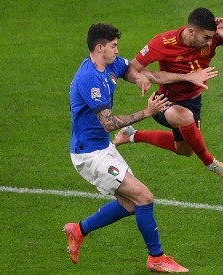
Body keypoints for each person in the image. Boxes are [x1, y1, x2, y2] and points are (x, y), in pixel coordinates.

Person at [65, 23, 214, 273]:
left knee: (132, 204)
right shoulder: (89, 79)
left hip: (101, 148)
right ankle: (156, 258)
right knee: (144, 197)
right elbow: (109, 123)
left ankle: (78, 230)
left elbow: (131, 71)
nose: (117, 50)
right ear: (99, 48)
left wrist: (140, 78)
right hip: (89, 154)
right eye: (114, 46)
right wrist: (148, 112)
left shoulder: (109, 63)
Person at [113, 7, 223, 178]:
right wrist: (186, 77)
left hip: (193, 101)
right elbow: (131, 70)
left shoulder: (212, 37)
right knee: (185, 117)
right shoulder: (162, 42)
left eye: (212, 38)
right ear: (191, 31)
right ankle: (211, 163)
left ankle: (132, 134)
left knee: (184, 150)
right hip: (164, 101)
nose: (209, 42)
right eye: (206, 38)